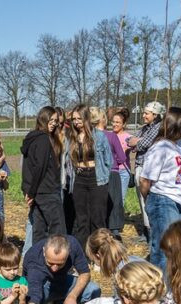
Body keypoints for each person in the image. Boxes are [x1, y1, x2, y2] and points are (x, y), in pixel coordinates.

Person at [138, 106, 181, 272]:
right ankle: (161, 284)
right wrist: (151, 201)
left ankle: (174, 283)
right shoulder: (160, 148)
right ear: (177, 124)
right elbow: (144, 180)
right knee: (164, 248)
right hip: (163, 201)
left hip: (180, 201)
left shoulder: (179, 145)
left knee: (179, 247)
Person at [64, 104, 113, 249]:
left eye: (79, 118)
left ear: (86, 118)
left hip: (96, 178)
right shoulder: (71, 137)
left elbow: (108, 160)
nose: (76, 122)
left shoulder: (99, 136)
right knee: (82, 219)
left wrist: (103, 176)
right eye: (74, 119)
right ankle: (84, 253)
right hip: (79, 179)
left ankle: (100, 252)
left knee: (98, 218)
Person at [20, 106, 65, 251]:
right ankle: (58, 257)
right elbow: (40, 167)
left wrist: (29, 191)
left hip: (38, 193)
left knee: (39, 230)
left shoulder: (32, 138)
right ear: (42, 118)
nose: (53, 123)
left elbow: (28, 168)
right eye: (50, 120)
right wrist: (31, 193)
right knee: (57, 230)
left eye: (55, 121)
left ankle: (38, 256)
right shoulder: (44, 140)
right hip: (47, 191)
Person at [127, 101, 165, 240]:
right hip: (140, 165)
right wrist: (138, 141)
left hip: (148, 167)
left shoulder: (158, 128)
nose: (143, 115)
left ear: (155, 115)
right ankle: (146, 229)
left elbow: (144, 144)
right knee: (142, 200)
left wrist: (138, 141)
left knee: (149, 199)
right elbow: (129, 140)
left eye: (146, 113)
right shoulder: (145, 128)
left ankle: (152, 231)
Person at [106, 107, 132, 239]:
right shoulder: (109, 135)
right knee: (111, 198)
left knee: (119, 199)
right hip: (111, 171)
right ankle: (111, 222)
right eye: (113, 122)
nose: (115, 124)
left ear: (124, 124)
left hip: (123, 172)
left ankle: (116, 226)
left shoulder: (128, 137)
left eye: (118, 122)